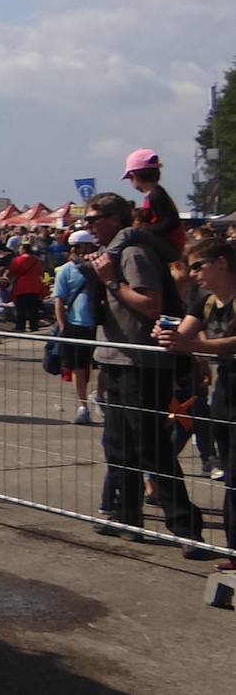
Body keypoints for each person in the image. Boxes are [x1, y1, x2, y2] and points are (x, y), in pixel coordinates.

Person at [83, 192, 203, 550]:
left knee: (150, 447)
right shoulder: (112, 253)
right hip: (118, 360)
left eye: (94, 219)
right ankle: (127, 515)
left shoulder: (133, 253)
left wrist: (110, 282)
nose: (88, 225)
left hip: (143, 363)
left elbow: (153, 304)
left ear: (115, 219)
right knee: (119, 446)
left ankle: (186, 526)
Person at [155, 238, 236, 566]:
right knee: (232, 477)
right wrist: (165, 335)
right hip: (226, 395)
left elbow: (226, 342)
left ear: (221, 262)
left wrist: (194, 345)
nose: (193, 273)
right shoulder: (204, 302)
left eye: (198, 266)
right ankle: (233, 551)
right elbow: (182, 335)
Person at [54, 230, 102, 424]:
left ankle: (99, 394)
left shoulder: (100, 267)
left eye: (78, 246)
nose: (74, 250)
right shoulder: (65, 270)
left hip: (101, 323)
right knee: (78, 368)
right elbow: (59, 299)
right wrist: (63, 326)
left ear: (90, 247)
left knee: (107, 365)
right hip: (76, 325)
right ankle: (83, 406)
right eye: (71, 246)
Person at [8, 243, 48, 332]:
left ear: (24, 250)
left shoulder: (17, 260)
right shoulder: (36, 260)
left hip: (21, 286)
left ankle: (20, 326)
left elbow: (12, 271)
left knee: (21, 308)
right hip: (35, 285)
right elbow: (40, 272)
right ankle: (34, 325)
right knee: (33, 307)